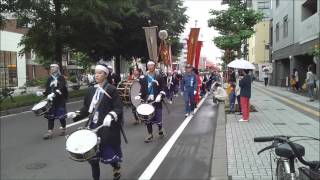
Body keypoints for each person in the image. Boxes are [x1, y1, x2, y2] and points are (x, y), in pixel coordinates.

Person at [66, 63, 123, 180]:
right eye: (95, 73)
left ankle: (115, 166)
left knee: (108, 153)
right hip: (93, 126)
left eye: (100, 73)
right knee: (92, 157)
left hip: (106, 127)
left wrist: (111, 115)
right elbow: (87, 108)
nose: (96, 75)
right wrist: (76, 114)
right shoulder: (91, 90)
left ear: (106, 75)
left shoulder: (111, 89)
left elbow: (118, 108)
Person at [135, 61, 166, 143]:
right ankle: (150, 134)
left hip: (157, 100)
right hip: (147, 100)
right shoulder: (144, 77)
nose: (150, 67)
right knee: (148, 118)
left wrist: (160, 95)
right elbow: (142, 88)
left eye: (151, 65)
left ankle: (160, 129)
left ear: (154, 66)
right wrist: (140, 95)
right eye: (148, 65)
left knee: (158, 117)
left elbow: (163, 87)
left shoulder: (159, 76)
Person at [36, 63, 68, 140]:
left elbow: (61, 87)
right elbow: (47, 91)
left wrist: (54, 93)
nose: (52, 69)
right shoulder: (49, 79)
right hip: (51, 101)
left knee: (61, 117)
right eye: (51, 68)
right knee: (51, 117)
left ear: (57, 68)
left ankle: (63, 129)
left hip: (60, 100)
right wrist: (42, 93)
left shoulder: (61, 78)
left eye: (54, 67)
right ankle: (49, 132)